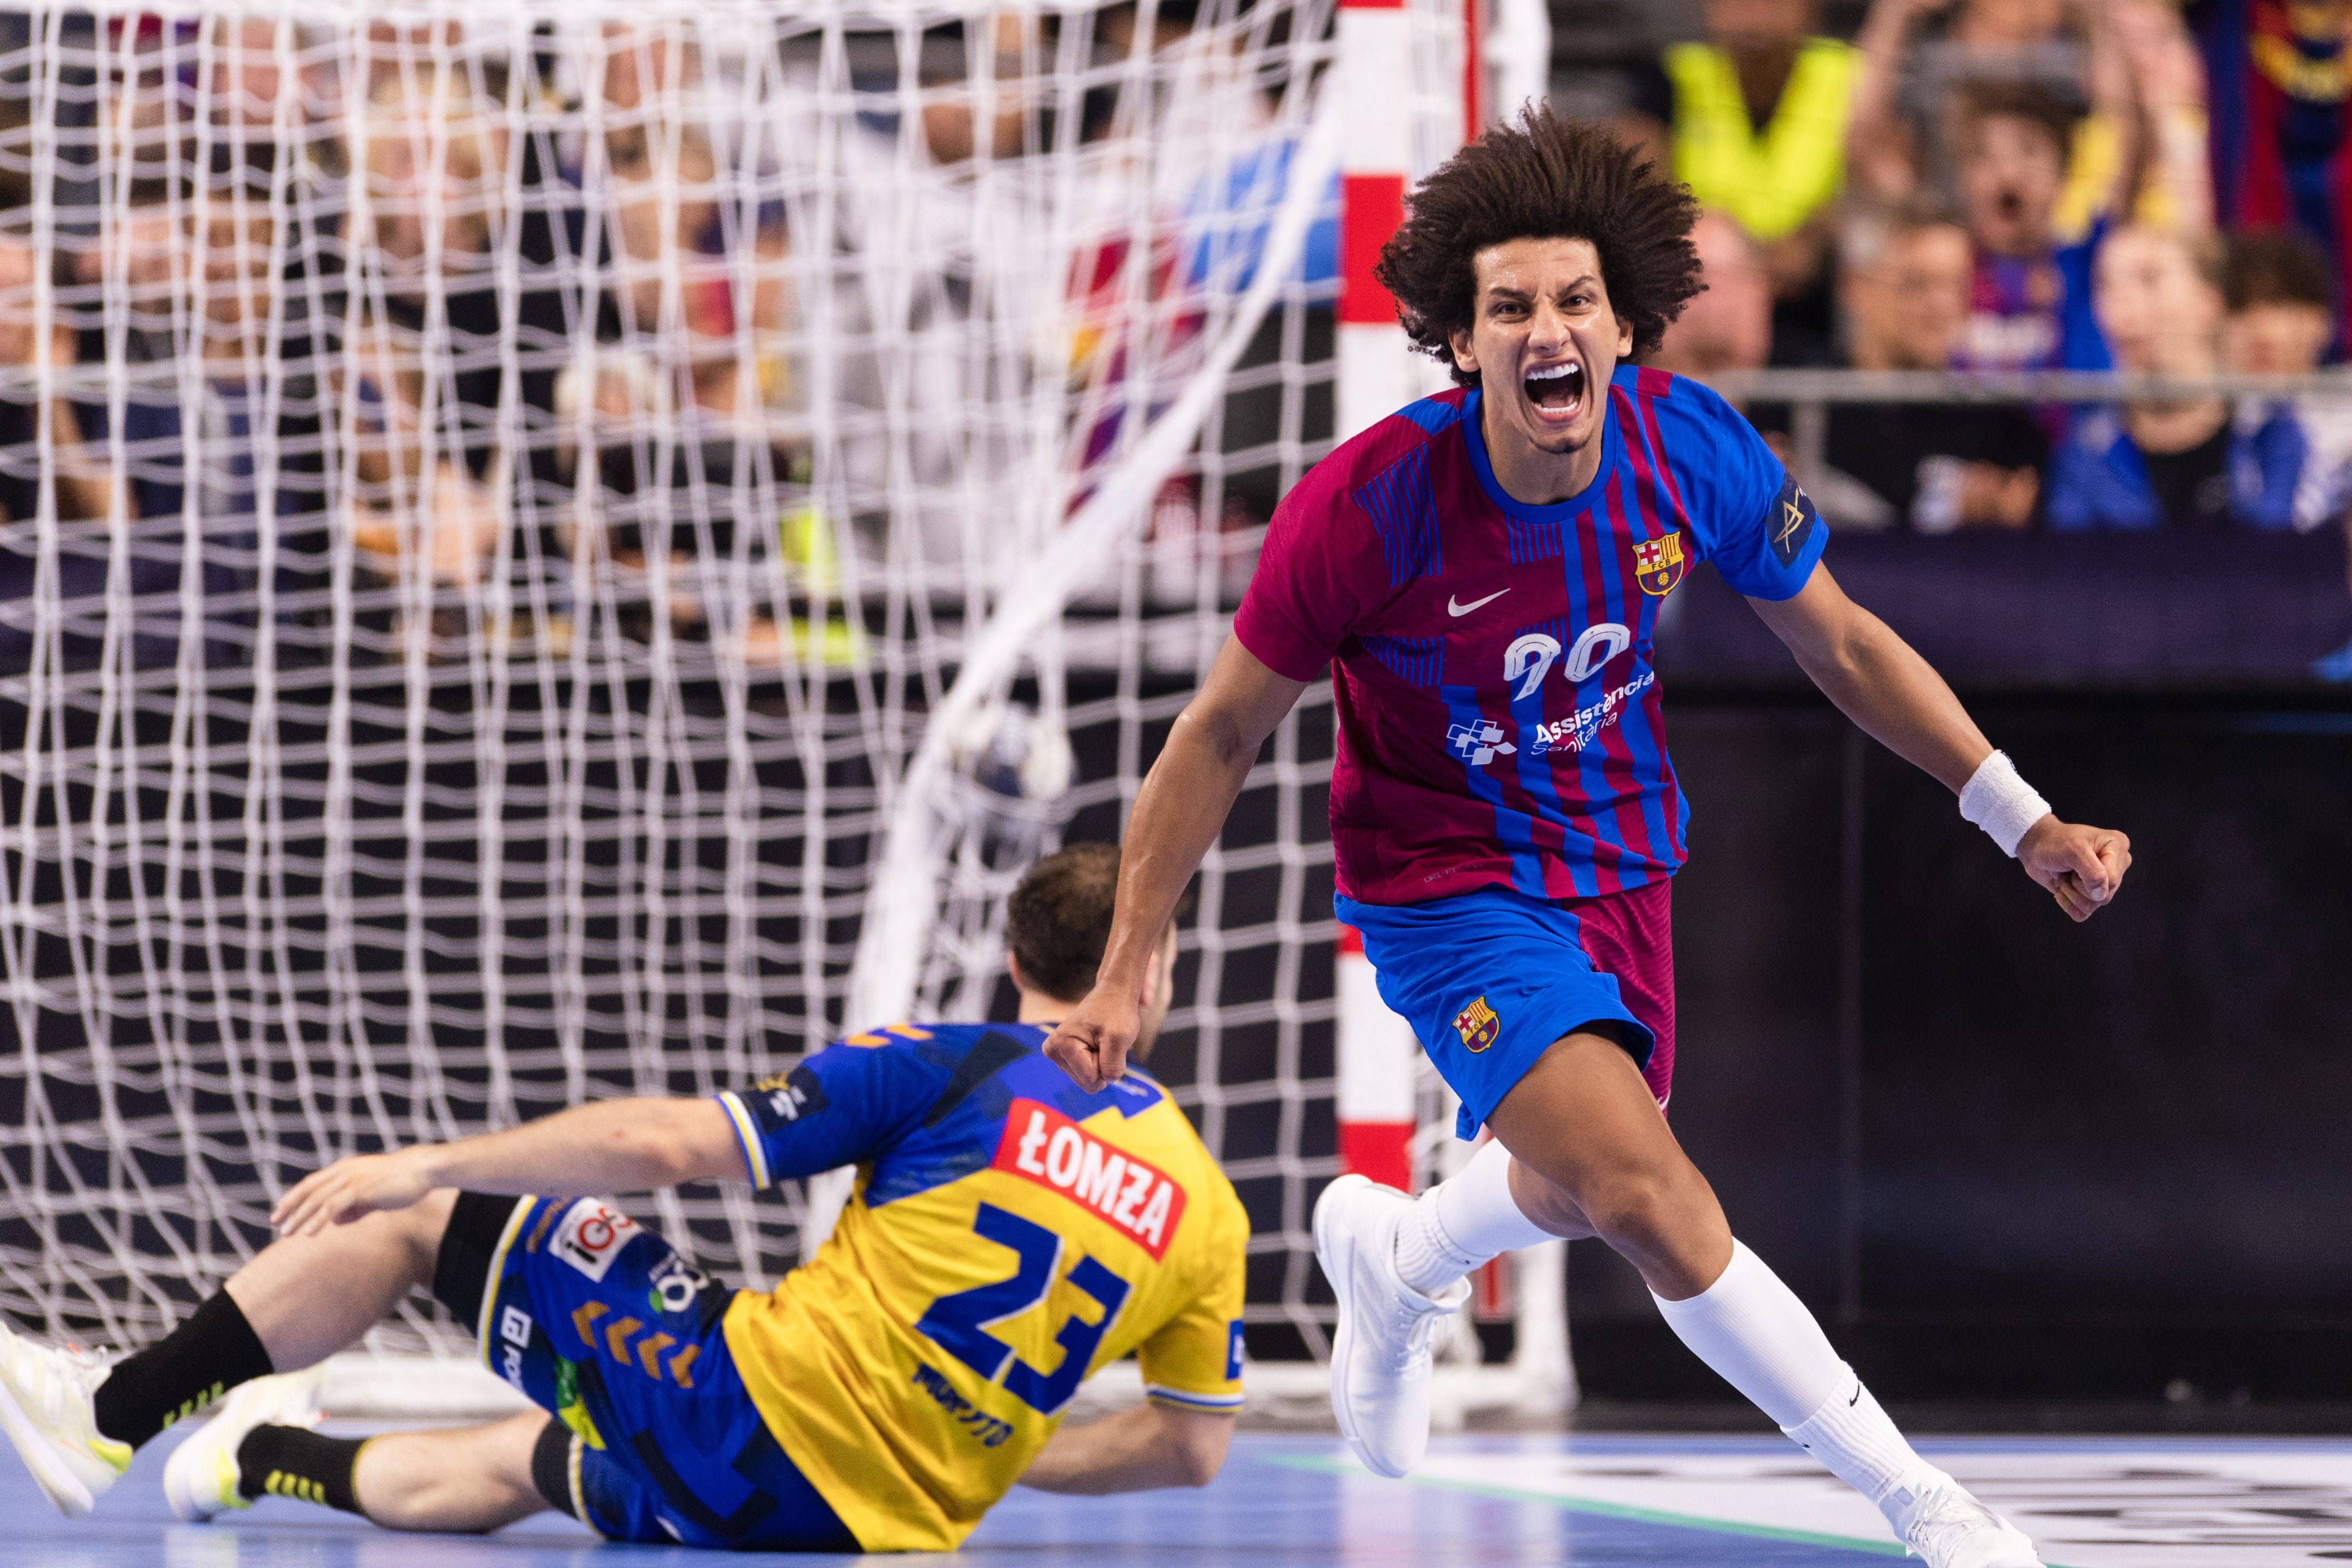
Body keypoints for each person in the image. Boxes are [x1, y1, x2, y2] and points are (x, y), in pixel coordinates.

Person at [1039, 111, 2130, 1568]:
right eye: (1508, 308)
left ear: (1625, 325)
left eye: (1573, 300)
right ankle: (1920, 1502)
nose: (1545, 330)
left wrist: (2022, 817)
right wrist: (1126, 963)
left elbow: (1849, 647)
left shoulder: (1691, 446)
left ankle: (1404, 1255)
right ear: (1460, 341)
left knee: (1577, 1184)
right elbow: (1218, 736)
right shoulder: (1365, 510)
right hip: (1443, 880)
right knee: (1652, 1201)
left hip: (1621, 859)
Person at [0, 843, 1248, 1552]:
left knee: (414, 1222)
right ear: (1158, 969)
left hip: (746, 1422)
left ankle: (108, 1409)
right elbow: (1191, 1450)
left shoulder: (960, 1065)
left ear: (1018, 963)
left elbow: (662, 1144)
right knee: (552, 1455)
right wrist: (977, 1440)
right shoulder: (1207, 1205)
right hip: (872, 1527)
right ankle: (257, 1456)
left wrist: (434, 1162)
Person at [2047, 225, 2307, 531]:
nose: (2122, 303)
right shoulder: (2084, 459)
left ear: (2209, 301)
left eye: (2149, 279)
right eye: (2105, 285)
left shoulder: (2277, 439)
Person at [1823, 209, 2044, 531]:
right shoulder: (1801, 407)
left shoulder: (2001, 431)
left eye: (1956, 286)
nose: (1941, 305)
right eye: (1918, 284)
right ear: (1856, 288)